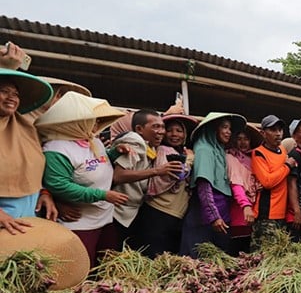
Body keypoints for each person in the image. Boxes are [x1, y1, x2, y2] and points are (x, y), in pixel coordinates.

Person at [36, 92, 128, 266]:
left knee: (106, 266)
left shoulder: (91, 140)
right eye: (93, 120)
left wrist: (115, 153)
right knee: (80, 268)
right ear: (77, 122)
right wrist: (102, 195)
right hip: (79, 223)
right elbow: (59, 185)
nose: (96, 125)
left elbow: (96, 161)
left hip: (104, 218)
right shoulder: (57, 149)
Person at [111, 109, 182, 249]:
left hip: (131, 212)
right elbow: (118, 176)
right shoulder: (134, 141)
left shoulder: (151, 147)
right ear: (139, 129)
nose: (161, 131)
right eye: (156, 127)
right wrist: (157, 171)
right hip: (117, 211)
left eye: (162, 127)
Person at [180, 112, 246, 257]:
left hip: (221, 212)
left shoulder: (219, 151)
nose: (228, 132)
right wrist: (214, 216)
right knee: (200, 261)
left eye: (230, 129)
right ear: (213, 129)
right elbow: (204, 184)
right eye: (224, 127)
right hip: (205, 216)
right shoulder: (204, 149)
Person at [0, 68, 57, 233]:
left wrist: (43, 193)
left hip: (28, 213)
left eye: (16, 94)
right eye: (4, 91)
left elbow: (33, 167)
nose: (12, 97)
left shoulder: (26, 129)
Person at [136, 114, 197, 257]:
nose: (174, 134)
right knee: (154, 256)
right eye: (170, 130)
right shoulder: (164, 150)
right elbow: (178, 173)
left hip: (174, 214)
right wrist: (189, 159)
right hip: (159, 211)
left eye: (179, 130)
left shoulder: (180, 152)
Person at [250, 115, 293, 250]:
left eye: (280, 130)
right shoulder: (258, 154)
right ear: (263, 133)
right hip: (267, 215)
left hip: (283, 215)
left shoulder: (283, 151)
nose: (278, 133)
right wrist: (287, 166)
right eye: (273, 130)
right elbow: (267, 181)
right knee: (262, 257)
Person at [226, 123, 262, 254]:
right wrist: (245, 206)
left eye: (246, 139)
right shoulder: (230, 157)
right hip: (239, 212)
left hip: (254, 213)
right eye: (239, 138)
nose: (243, 142)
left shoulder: (254, 160)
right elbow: (236, 184)